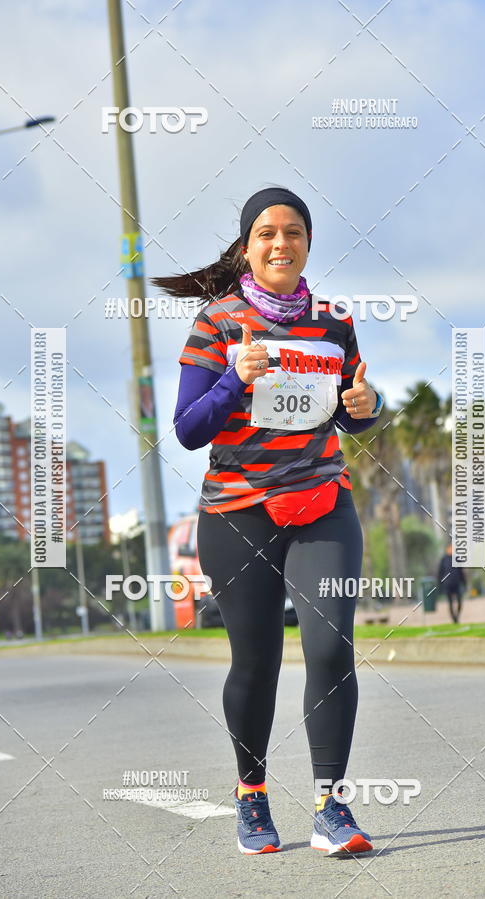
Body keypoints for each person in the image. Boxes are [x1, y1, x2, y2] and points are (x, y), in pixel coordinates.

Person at [152, 186, 384, 857]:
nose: (281, 243)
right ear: (247, 247)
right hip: (238, 512)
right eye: (266, 233)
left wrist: (367, 406)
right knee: (257, 661)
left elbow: (348, 406)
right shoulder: (218, 323)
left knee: (331, 646)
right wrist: (233, 378)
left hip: (321, 501)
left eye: (293, 232)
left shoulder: (334, 321)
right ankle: (251, 794)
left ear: (308, 243)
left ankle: (331, 808)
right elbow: (189, 429)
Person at [437, 544, 466, 623]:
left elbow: (461, 572)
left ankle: (457, 616)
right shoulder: (444, 559)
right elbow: (440, 573)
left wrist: (464, 583)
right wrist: (440, 584)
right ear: (447, 549)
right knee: (450, 603)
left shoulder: (457, 559)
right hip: (448, 584)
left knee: (460, 601)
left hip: (457, 583)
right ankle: (454, 618)